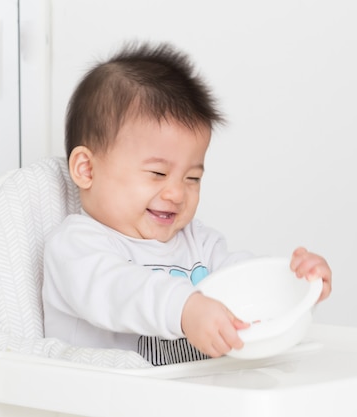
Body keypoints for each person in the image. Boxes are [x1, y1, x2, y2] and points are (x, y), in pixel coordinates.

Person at [42, 42, 331, 366]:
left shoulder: (198, 243)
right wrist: (184, 308)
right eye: (158, 173)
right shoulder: (76, 247)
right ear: (87, 169)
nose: (177, 193)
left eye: (192, 178)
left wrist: (294, 282)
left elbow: (243, 284)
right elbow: (121, 292)